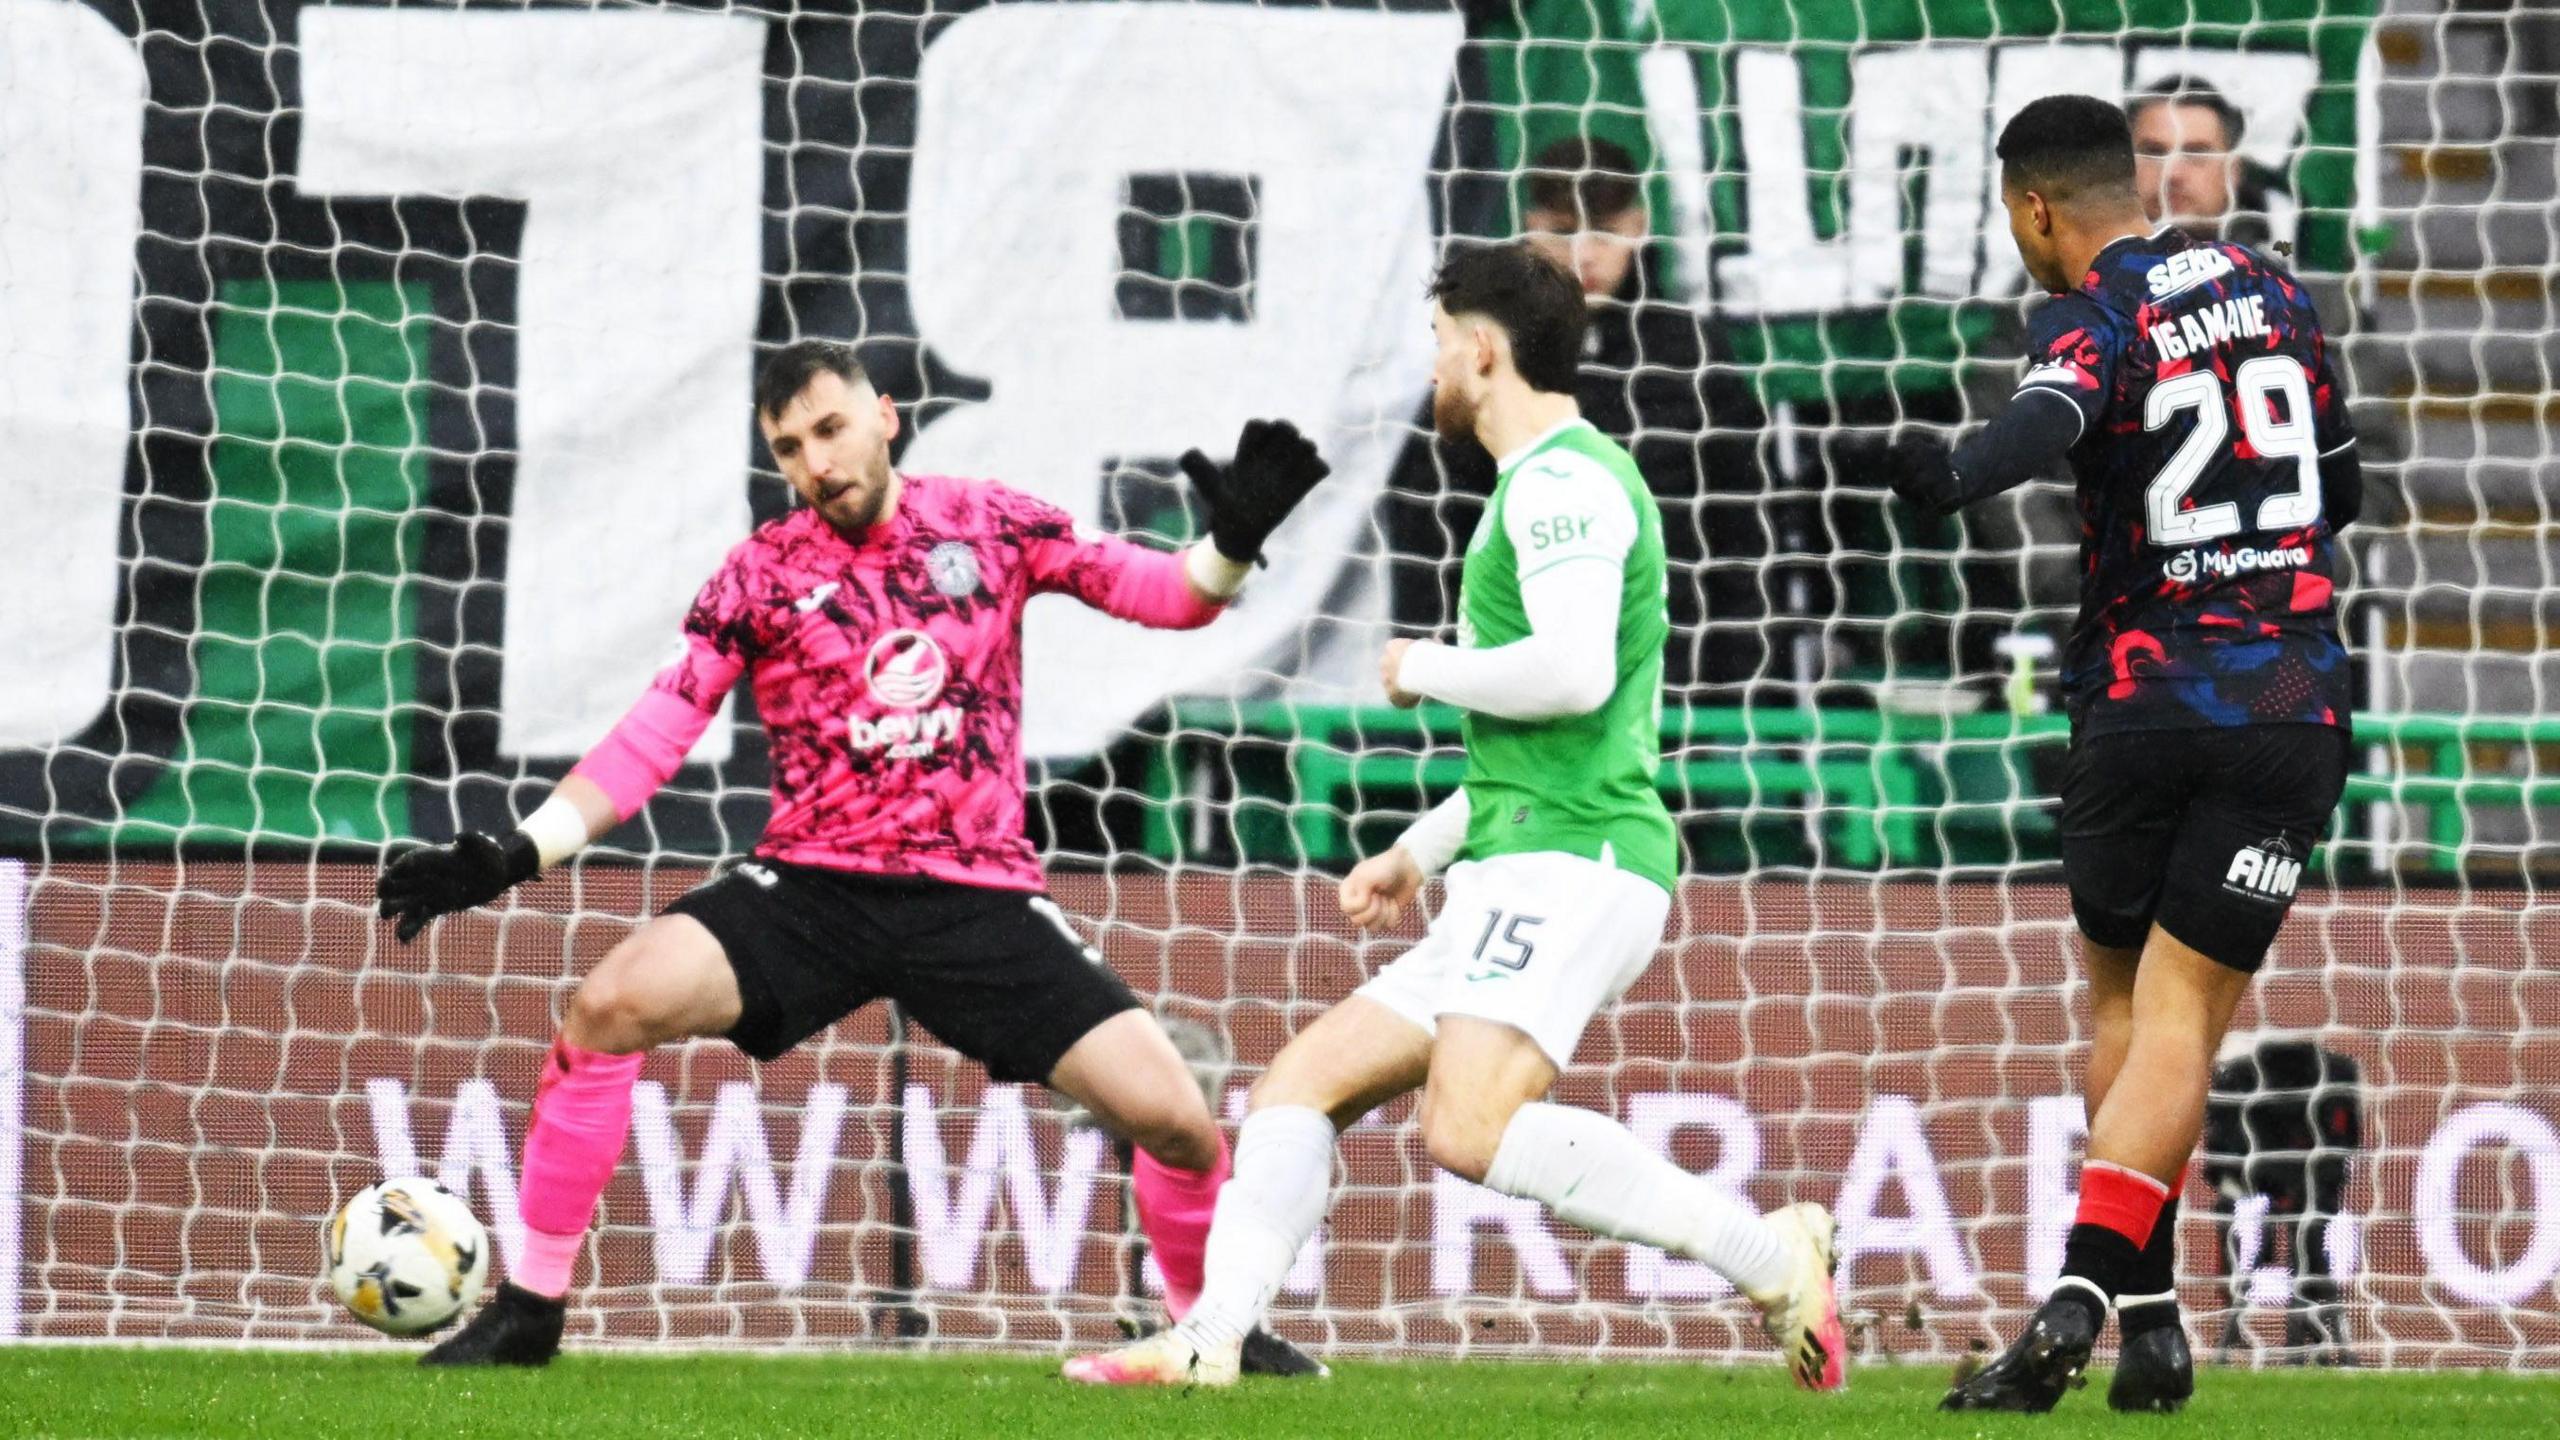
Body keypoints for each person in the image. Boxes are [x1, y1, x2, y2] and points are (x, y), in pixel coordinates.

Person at [374, 341, 1331, 1373]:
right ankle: (532, 1311)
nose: (814, 463)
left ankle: (1210, 1330)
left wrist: (1229, 544)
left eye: (828, 431)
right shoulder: (760, 573)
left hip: (974, 897)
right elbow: (656, 732)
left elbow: (1169, 594)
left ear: (885, 416)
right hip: (813, 888)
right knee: (609, 1005)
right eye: (789, 448)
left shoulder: (990, 523)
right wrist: (521, 852)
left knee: (1181, 1124)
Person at [1062, 242, 1846, 1391]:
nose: (1431, 366)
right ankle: (1210, 1338)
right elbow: (1550, 727)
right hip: (1521, 851)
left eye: (1438, 342)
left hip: (1571, 861)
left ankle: (1768, 1256)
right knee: (1298, 1088)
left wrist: (1427, 667)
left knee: (1467, 1129)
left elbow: (1575, 676)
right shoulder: (1540, 484)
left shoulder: (1561, 485)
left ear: (1481, 349)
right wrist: (1417, 848)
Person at [1894, 94, 2361, 1414]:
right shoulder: (2279, 295)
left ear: (2038, 207)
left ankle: (2091, 1297)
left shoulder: (2095, 312)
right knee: (2183, 1019)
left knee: (2124, 1007)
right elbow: (2348, 493)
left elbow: (2048, 419)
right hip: (2282, 691)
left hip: (2138, 697)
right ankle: (2143, 1316)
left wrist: (1955, 470)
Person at [1518, 138, 1771, 698]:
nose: (1583, 254)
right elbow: (1441, 538)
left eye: (1603, 232)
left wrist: (1726, 686)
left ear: (1637, 225)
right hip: (1521, 673)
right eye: (1562, 232)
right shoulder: (1491, 355)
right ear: (1531, 228)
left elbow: (1741, 537)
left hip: (1678, 672)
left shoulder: (1692, 356)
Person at [2126, 76, 2272, 248]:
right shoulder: (2091, 268)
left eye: (2195, 153)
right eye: (2154, 152)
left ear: (2233, 171)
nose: (2172, 174)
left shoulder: (2273, 271)